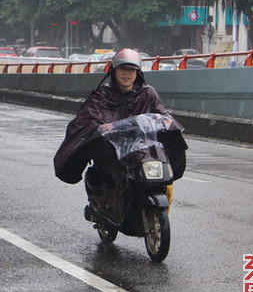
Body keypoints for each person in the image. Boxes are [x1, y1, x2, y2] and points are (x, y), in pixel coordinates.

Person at [54, 49, 187, 204]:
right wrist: (103, 128)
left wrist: (166, 123)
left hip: (143, 151)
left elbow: (162, 114)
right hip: (113, 150)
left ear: (137, 73)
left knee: (165, 181)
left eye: (131, 70)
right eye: (123, 69)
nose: (127, 74)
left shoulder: (148, 93)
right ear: (114, 71)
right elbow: (87, 118)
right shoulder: (102, 95)